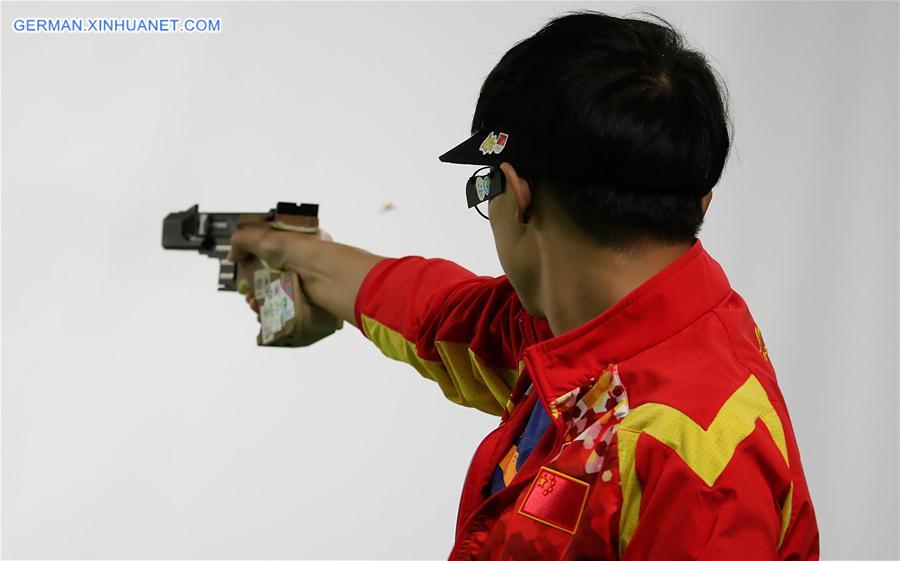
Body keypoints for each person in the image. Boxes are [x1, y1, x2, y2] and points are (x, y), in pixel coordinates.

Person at [228, 9, 819, 560]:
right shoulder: (599, 330)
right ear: (699, 197)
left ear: (518, 189)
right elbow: (438, 315)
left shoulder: (684, 454)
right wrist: (296, 253)